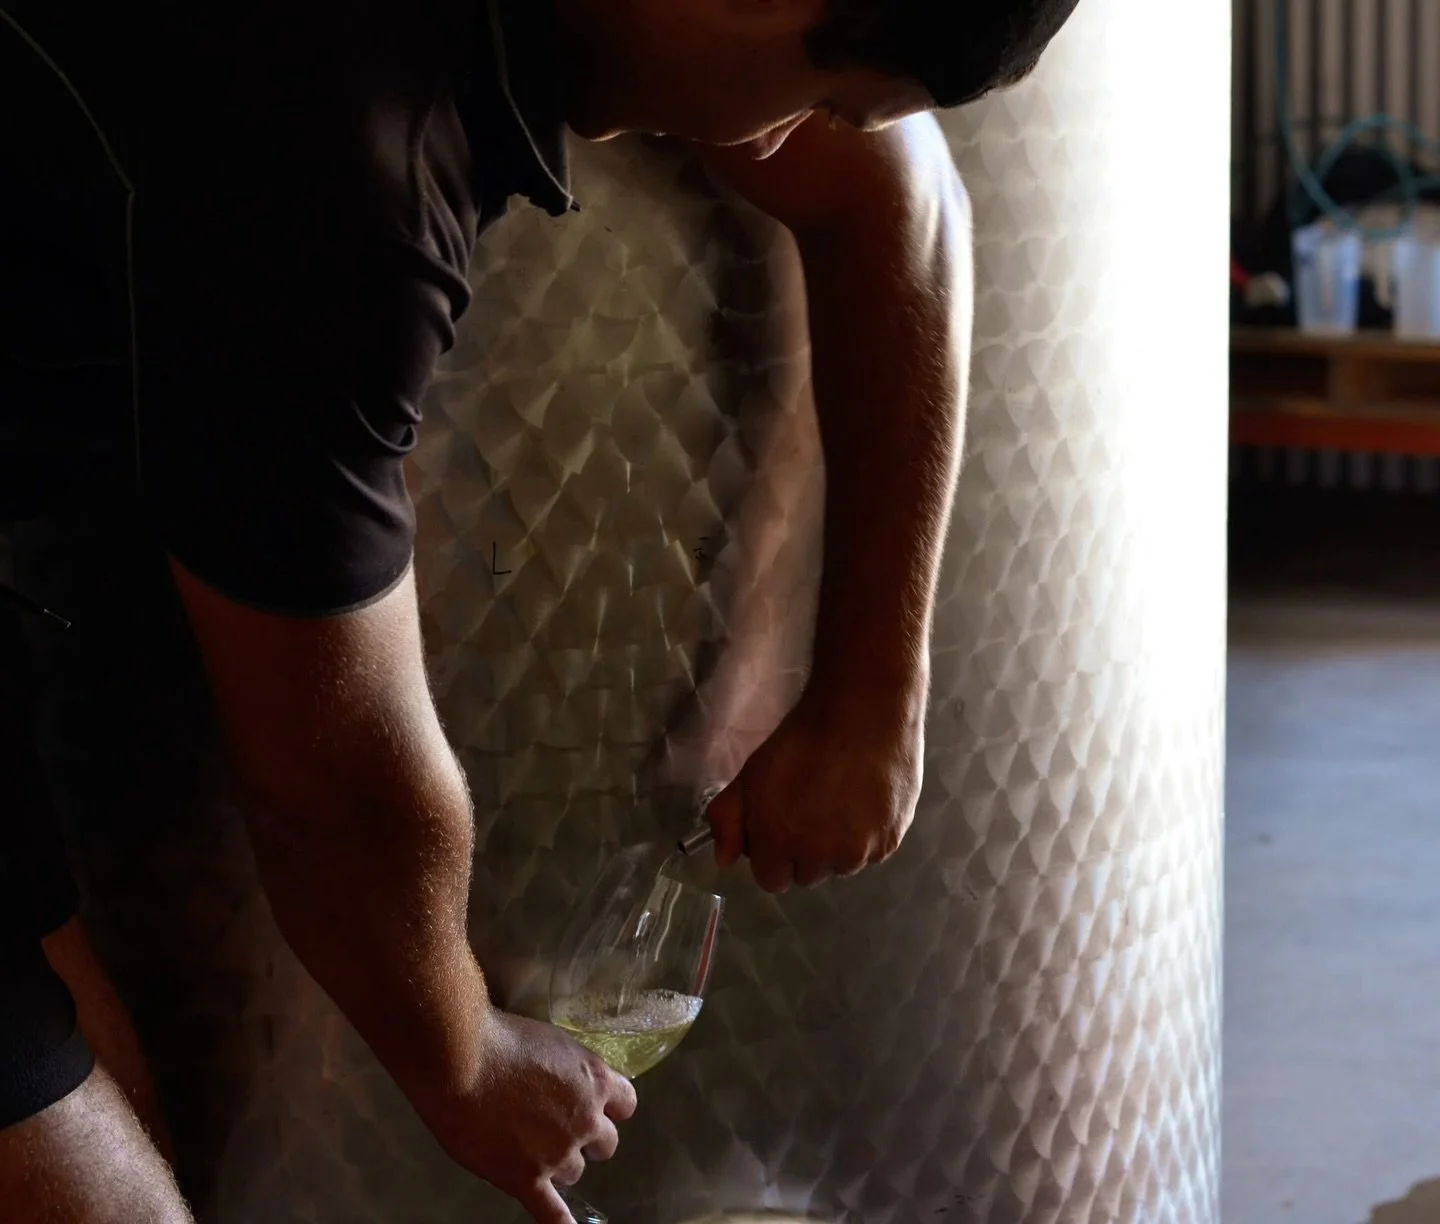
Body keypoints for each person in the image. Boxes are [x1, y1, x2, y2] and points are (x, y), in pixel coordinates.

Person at [0, 0, 1081, 1221]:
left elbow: (899, 189)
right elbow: (331, 780)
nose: (791, 141)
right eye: (818, 96)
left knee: (92, 1094)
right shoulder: (333, 151)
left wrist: (872, 693)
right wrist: (464, 1057)